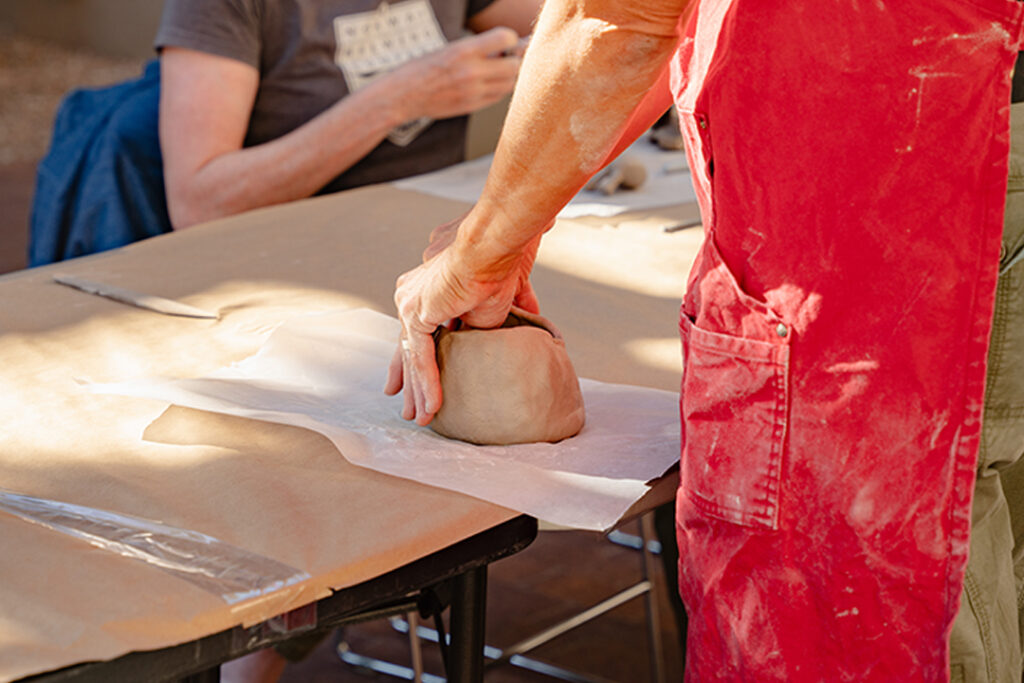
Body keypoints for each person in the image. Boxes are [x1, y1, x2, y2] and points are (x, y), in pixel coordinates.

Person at [385, 0, 1024, 679]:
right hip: (980, 120)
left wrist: (483, 248)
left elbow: (618, 17)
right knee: (989, 542)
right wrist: (513, 224)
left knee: (867, 601)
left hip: (882, 193)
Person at [155, 0, 538, 230]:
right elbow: (199, 204)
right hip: (294, 248)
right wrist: (395, 101)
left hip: (429, 228)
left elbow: (572, 24)